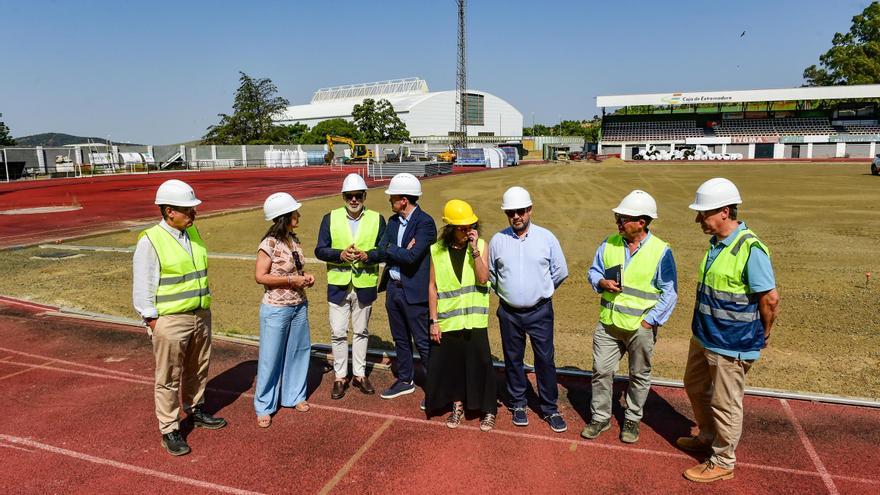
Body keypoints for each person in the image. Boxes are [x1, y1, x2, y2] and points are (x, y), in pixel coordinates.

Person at [678, 178, 779, 483]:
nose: (698, 219)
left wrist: (764, 334)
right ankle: (708, 435)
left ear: (724, 212)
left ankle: (723, 460)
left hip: (731, 342)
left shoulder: (750, 248)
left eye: (703, 213)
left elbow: (770, 299)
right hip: (705, 336)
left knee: (725, 403)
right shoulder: (716, 245)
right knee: (694, 386)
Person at [132, 179, 227, 457]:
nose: (193, 213)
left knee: (198, 368)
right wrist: (153, 321)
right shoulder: (151, 240)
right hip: (171, 320)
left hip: (200, 315)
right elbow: (143, 284)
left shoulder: (192, 232)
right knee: (168, 377)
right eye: (187, 209)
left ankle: (195, 409)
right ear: (169, 211)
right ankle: (169, 429)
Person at [582, 190, 678, 444]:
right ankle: (600, 417)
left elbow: (670, 293)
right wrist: (601, 282)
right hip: (609, 324)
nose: (618, 222)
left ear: (641, 222)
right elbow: (593, 271)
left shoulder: (660, 251)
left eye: (623, 218)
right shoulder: (609, 243)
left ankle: (632, 419)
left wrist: (650, 321)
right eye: (618, 217)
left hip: (640, 328)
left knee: (639, 375)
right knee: (601, 371)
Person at [488, 186, 569, 432]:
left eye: (520, 211)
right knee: (513, 359)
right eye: (510, 212)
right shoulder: (498, 240)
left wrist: (541, 290)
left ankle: (549, 408)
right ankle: (518, 404)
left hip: (540, 311)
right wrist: (509, 293)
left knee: (545, 359)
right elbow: (492, 275)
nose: (516, 216)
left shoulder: (547, 238)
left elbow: (560, 272)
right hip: (509, 312)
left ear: (530, 210)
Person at [425, 200, 497, 431]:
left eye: (470, 227)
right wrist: (434, 321)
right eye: (462, 228)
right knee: (454, 365)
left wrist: (474, 250)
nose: (467, 231)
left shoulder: (481, 246)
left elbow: (483, 279)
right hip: (449, 320)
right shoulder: (436, 250)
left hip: (475, 320)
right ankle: (457, 405)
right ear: (450, 228)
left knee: (482, 363)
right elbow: (433, 287)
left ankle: (488, 409)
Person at [315, 173, 386, 399]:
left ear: (364, 196)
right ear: (343, 197)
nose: (354, 200)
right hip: (338, 286)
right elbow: (320, 250)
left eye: (358, 196)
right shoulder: (330, 218)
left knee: (361, 332)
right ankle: (340, 377)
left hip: (364, 285)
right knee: (338, 332)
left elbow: (385, 250)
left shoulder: (377, 219)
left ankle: (359, 374)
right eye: (349, 196)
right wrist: (340, 255)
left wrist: (368, 256)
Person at [253, 192, 316, 428]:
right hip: (276, 309)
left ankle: (294, 396)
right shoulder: (268, 243)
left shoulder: (294, 239)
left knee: (299, 352)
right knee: (270, 358)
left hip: (298, 305)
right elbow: (260, 276)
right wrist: (291, 280)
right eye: (295, 212)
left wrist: (305, 277)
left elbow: (295, 271)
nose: (298, 214)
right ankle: (264, 406)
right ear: (285, 216)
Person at [377, 173, 437, 401]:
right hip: (394, 289)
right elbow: (381, 248)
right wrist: (397, 249)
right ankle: (405, 380)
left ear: (403, 200)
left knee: (422, 341)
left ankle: (434, 386)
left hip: (414, 292)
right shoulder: (392, 221)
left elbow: (412, 258)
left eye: (392, 197)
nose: (389, 200)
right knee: (400, 338)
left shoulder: (425, 223)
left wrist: (392, 248)